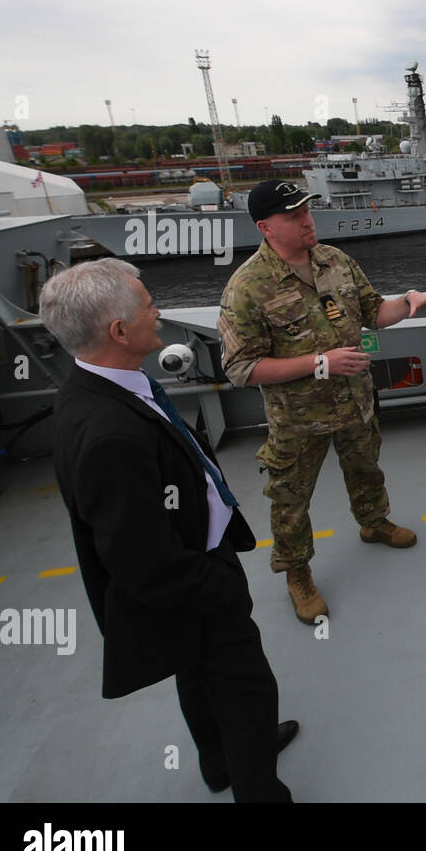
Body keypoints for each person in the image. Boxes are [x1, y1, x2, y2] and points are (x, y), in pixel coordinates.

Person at [42, 258, 296, 802]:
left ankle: (220, 762)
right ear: (118, 331)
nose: (157, 310)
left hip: (188, 567)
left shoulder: (98, 390)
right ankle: (259, 790)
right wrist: (219, 586)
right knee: (245, 687)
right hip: (192, 583)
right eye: (146, 303)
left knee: (195, 674)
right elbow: (140, 559)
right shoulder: (109, 433)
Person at [218, 179, 426, 624]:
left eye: (307, 211)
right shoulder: (247, 287)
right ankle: (297, 572)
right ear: (265, 226)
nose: (307, 221)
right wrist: (319, 362)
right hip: (298, 421)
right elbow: (241, 367)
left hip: (356, 402)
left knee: (366, 467)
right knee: (290, 499)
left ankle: (373, 521)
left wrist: (408, 302)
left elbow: (372, 312)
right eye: (294, 216)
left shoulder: (335, 260)